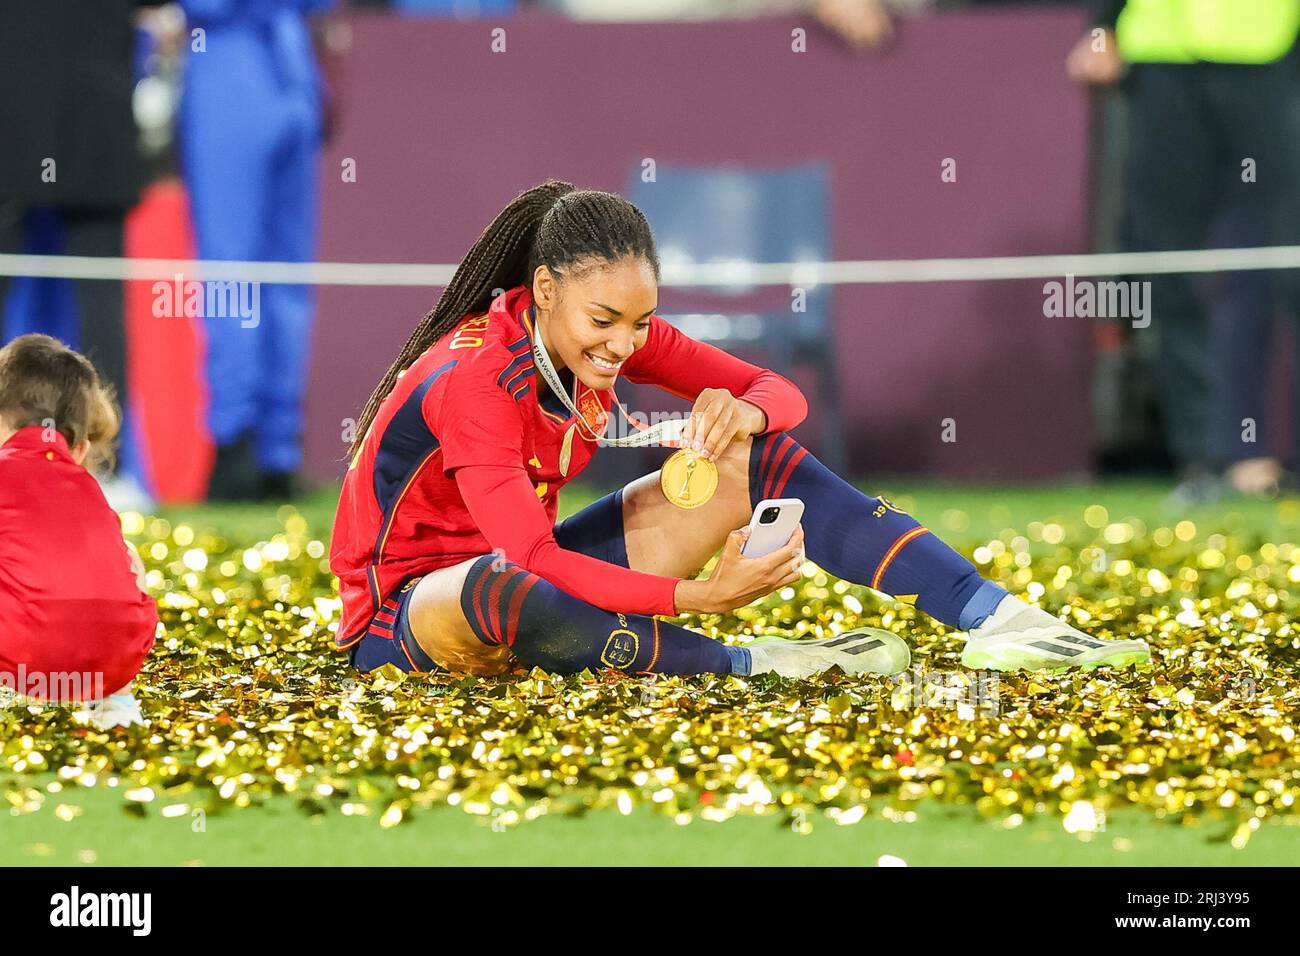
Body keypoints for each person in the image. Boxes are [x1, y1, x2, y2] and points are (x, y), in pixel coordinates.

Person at [330, 181, 1150, 679]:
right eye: (604, 320)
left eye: (641, 320)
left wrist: (744, 412)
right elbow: (532, 558)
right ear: (543, 290)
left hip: (539, 587)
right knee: (502, 587)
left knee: (745, 458)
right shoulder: (475, 381)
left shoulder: (612, 336)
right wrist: (701, 598)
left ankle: (996, 618)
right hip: (409, 620)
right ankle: (754, 664)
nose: (624, 344)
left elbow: (777, 394)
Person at [176, 0, 334, 501]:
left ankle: (267, 447)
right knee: (248, 270)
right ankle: (245, 441)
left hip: (270, 65)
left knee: (270, 272)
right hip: (260, 61)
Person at [0, 334, 157, 725]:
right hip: (111, 664)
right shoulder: (90, 489)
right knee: (128, 557)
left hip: (24, 661)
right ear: (82, 448)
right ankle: (118, 702)